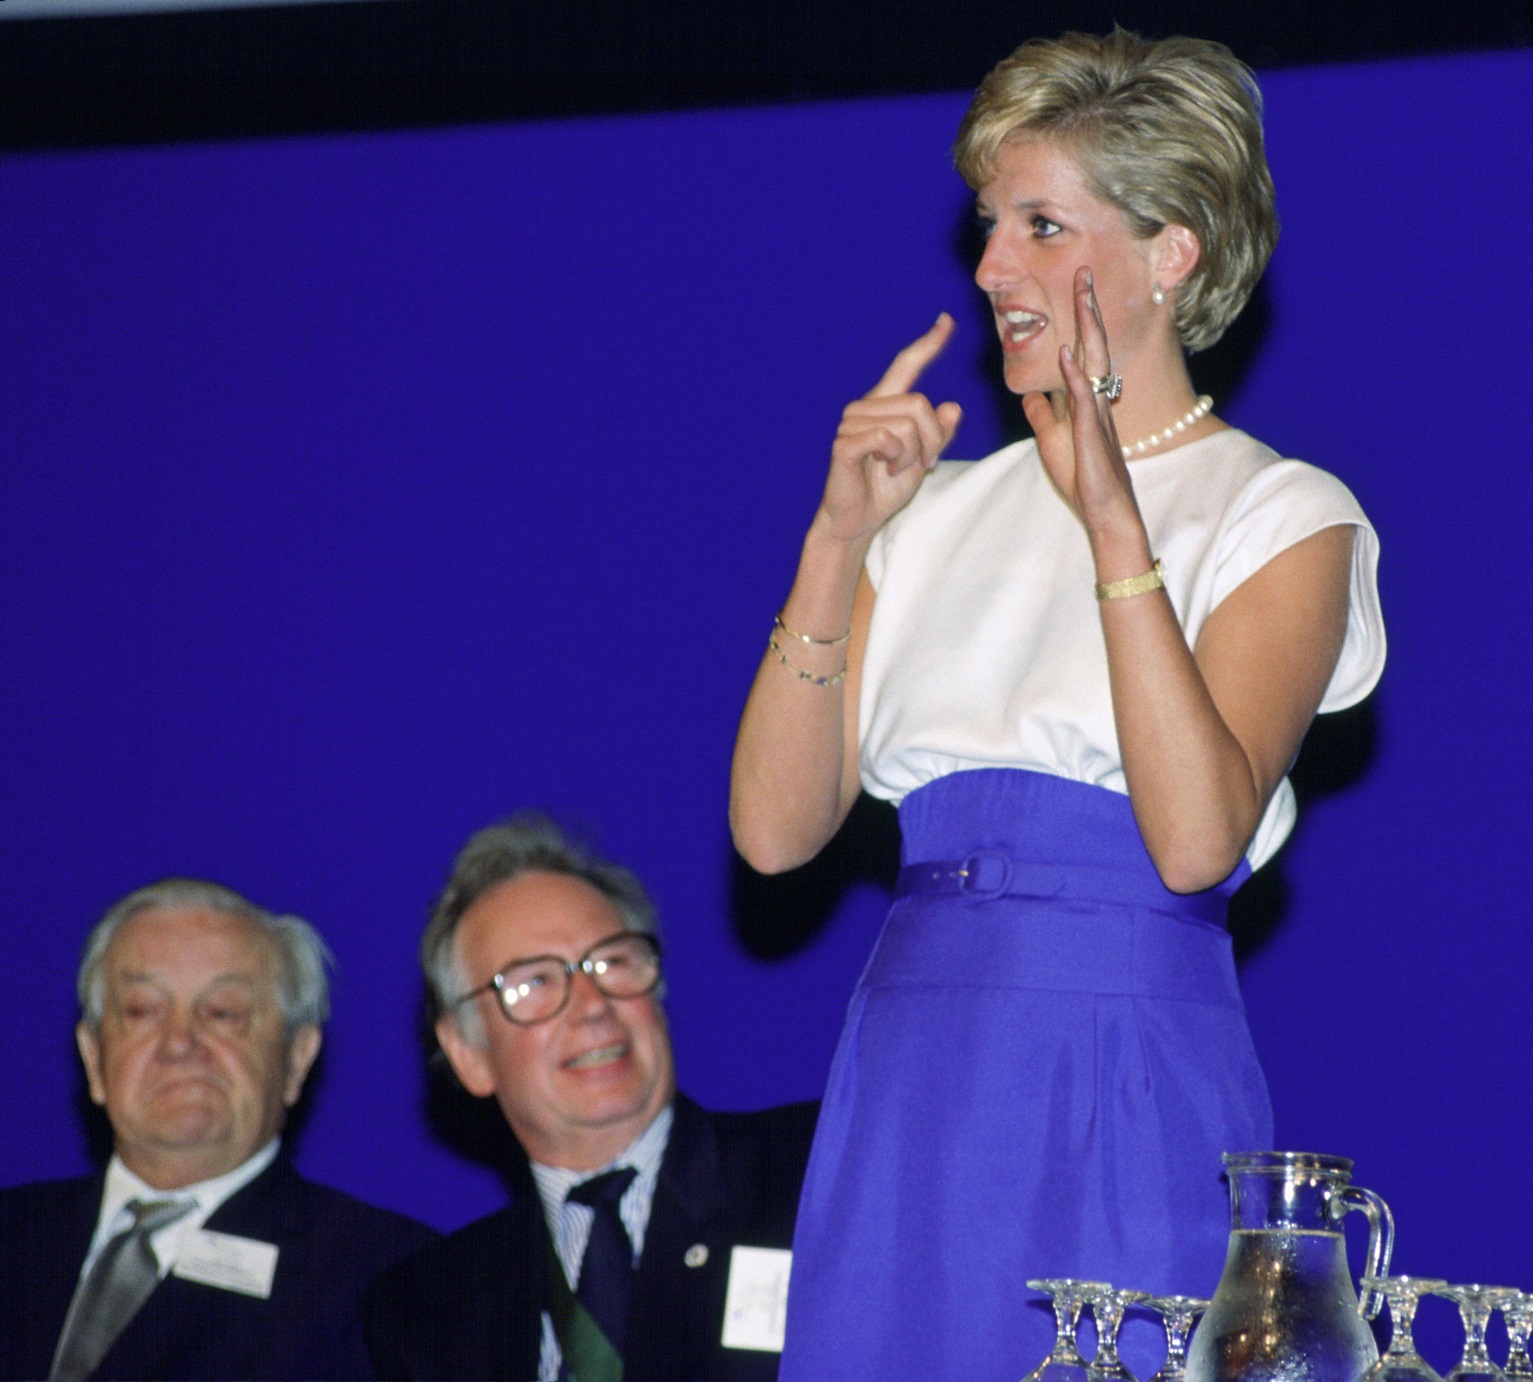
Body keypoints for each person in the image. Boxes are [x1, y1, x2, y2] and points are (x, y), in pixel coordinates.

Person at [728, 28, 1386, 1378]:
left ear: (1171, 250)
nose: (990, 269)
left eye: (1040, 224)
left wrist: (1112, 524)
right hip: (915, 1066)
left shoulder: (1281, 513)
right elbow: (774, 835)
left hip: (1122, 1051)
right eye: (989, 224)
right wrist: (838, 538)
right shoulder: (936, 510)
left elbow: (1194, 841)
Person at [362, 815, 818, 1382]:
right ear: (468, 1054)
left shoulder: (813, 1173)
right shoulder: (426, 1311)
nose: (593, 1002)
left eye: (613, 962)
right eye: (535, 981)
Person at [0, 879, 437, 1382]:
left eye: (224, 1013)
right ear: (93, 1057)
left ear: (297, 1058)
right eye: (142, 1010)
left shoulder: (389, 1279)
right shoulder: (16, 1233)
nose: (180, 1043)